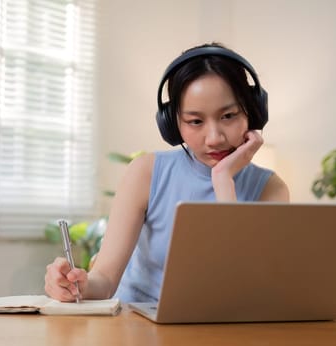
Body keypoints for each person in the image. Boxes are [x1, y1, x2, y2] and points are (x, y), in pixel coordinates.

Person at [45, 43, 290, 303]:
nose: (215, 138)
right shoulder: (146, 172)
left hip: (218, 332)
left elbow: (243, 288)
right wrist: (77, 286)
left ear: (252, 113)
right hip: (137, 327)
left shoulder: (270, 189)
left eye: (228, 115)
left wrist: (223, 180)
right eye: (195, 121)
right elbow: (104, 281)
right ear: (173, 124)